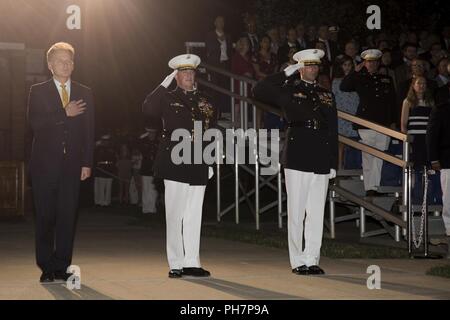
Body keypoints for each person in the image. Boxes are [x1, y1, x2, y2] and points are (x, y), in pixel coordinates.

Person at [253, 49, 338, 275]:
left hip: (320, 154)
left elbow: (333, 128)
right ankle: (298, 260)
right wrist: (285, 72)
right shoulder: (289, 90)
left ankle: (312, 258)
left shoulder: (326, 94)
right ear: (300, 68)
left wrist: (333, 162)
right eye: (308, 65)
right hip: (298, 152)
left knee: (316, 212)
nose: (313, 69)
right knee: (297, 210)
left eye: (315, 66)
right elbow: (259, 89)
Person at [142, 54, 216, 278]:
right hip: (175, 158)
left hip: (198, 159)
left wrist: (210, 158)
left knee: (194, 214)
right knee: (175, 214)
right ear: (176, 76)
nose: (188, 76)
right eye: (183, 73)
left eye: (191, 73)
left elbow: (210, 127)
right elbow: (148, 107)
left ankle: (192, 261)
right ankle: (176, 263)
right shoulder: (167, 97)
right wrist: (165, 82)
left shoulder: (204, 100)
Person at [27, 42, 94, 283]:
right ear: (50, 65)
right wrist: (64, 113)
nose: (66, 65)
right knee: (45, 216)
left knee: (67, 216)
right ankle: (45, 265)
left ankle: (62, 264)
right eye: (61, 61)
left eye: (70, 61)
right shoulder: (38, 90)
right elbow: (35, 123)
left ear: (74, 65)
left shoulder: (85, 92)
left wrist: (87, 162)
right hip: (44, 166)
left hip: (73, 166)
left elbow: (89, 130)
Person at [340, 49, 397, 196]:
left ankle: (375, 187)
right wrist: (355, 71)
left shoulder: (386, 79)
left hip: (383, 123)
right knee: (368, 155)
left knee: (380, 156)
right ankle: (369, 187)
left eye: (374, 62)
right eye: (369, 62)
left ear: (378, 63)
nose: (371, 64)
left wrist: (393, 122)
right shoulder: (360, 77)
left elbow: (392, 102)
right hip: (366, 122)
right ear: (365, 63)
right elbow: (344, 86)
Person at [400, 76, 440, 205]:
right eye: (419, 83)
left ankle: (429, 198)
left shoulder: (430, 102)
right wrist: (407, 141)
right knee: (417, 168)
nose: (421, 85)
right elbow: (403, 124)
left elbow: (434, 123)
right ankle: (417, 199)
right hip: (415, 139)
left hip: (428, 139)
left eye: (424, 83)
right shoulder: (408, 101)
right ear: (413, 85)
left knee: (429, 168)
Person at [332, 55, 360, 169]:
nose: (347, 67)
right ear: (341, 66)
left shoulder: (357, 80)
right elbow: (334, 97)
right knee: (341, 143)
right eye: (345, 65)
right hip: (341, 115)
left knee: (353, 142)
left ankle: (352, 167)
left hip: (354, 115)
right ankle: (339, 167)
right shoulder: (336, 81)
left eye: (350, 65)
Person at [427, 102, 450, 238]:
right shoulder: (441, 109)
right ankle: (449, 228)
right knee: (449, 196)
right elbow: (432, 135)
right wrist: (434, 159)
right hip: (448, 159)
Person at [140, 128, 159, 214]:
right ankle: (145, 208)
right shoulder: (144, 143)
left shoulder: (157, 143)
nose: (152, 135)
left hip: (154, 170)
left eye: (153, 133)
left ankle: (152, 208)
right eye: (150, 133)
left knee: (153, 190)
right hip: (145, 169)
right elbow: (137, 141)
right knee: (145, 189)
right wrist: (145, 135)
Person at [94, 134, 115, 207]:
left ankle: (106, 202)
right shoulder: (98, 148)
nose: (106, 142)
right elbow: (96, 158)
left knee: (108, 187)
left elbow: (113, 159)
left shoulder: (111, 148)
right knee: (100, 187)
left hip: (108, 170)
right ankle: (99, 201)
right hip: (100, 170)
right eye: (104, 141)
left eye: (107, 141)